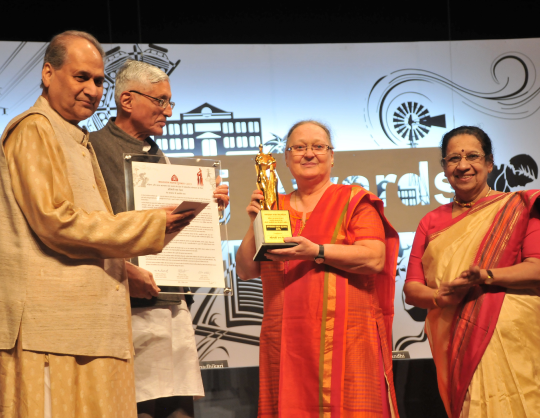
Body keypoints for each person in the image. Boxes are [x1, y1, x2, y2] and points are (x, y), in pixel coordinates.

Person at [0, 31, 193, 417]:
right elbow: (56, 222)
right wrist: (152, 225)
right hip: (53, 331)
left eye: (100, 80)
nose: (92, 89)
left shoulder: (72, 136)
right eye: (81, 77)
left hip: (87, 329)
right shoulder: (36, 128)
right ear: (48, 73)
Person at [90, 60, 230, 418]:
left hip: (170, 304)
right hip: (123, 307)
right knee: (133, 407)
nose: (168, 111)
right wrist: (121, 270)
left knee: (177, 408)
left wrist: (207, 208)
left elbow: (169, 226)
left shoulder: (161, 158)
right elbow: (81, 229)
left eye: (170, 102)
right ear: (127, 100)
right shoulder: (90, 149)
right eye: (160, 101)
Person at [236, 120, 400, 417]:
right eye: (298, 147)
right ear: (285, 158)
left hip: (347, 339)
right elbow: (246, 270)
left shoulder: (354, 200)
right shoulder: (275, 205)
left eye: (318, 147)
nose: (308, 154)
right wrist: (255, 222)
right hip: (286, 342)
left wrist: (317, 251)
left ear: (332, 156)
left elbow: (374, 258)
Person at [403, 126, 540, 418]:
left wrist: (486, 277)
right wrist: (441, 297)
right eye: (453, 159)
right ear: (443, 168)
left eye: (472, 156)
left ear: (489, 162)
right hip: (455, 340)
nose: (463, 165)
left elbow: (536, 267)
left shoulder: (518, 208)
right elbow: (412, 288)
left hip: (511, 333)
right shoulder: (431, 221)